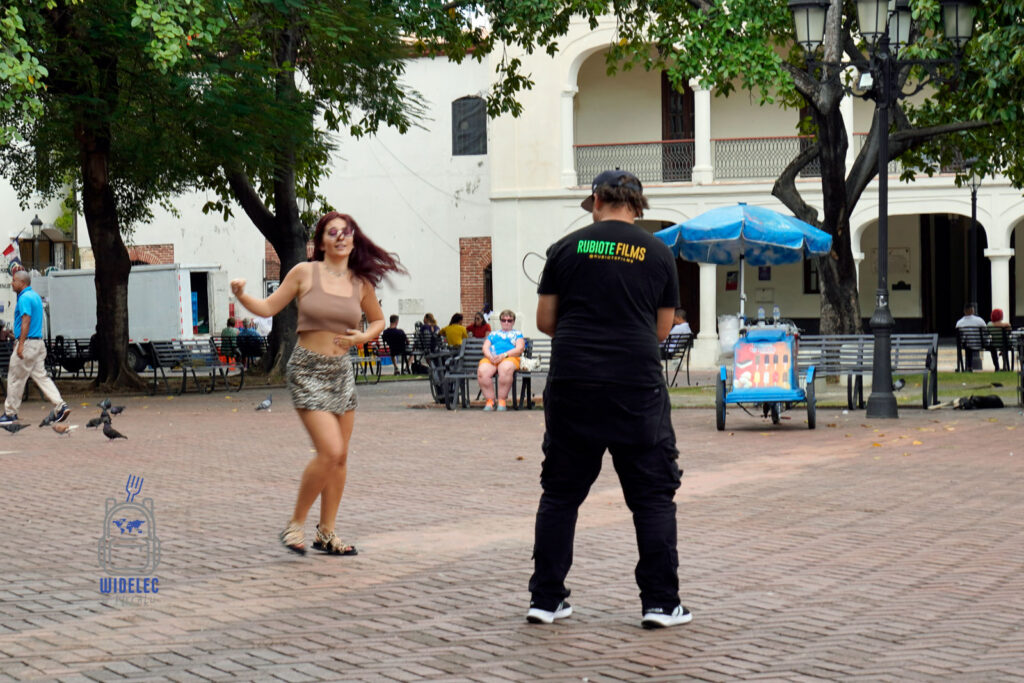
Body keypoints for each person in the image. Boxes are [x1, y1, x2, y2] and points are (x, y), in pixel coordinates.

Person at [528, 169, 688, 629]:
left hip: (574, 380)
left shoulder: (565, 248)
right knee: (652, 496)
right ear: (638, 205)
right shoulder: (659, 253)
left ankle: (546, 598)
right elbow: (661, 330)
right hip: (635, 385)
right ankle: (661, 603)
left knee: (560, 494)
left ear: (597, 199)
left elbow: (545, 320)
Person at [230, 211, 404, 555]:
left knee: (340, 459)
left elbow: (378, 320)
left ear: (354, 240)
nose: (340, 237)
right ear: (320, 241)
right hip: (307, 370)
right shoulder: (303, 273)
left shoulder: (359, 282)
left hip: (341, 372)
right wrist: (242, 296)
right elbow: (267, 308)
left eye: (346, 232)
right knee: (330, 450)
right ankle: (294, 525)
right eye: (332, 232)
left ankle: (327, 533)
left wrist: (362, 337)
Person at [0, 271, 71, 425]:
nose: (11, 283)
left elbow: (26, 320)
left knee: (14, 378)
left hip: (27, 343)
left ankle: (10, 413)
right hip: (38, 343)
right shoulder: (35, 297)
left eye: (14, 281)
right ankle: (60, 405)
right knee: (41, 377)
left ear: (21, 283)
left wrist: (21, 344)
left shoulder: (24, 298)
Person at [477, 309, 525, 412]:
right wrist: (490, 356)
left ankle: (502, 400)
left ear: (513, 322)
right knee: (482, 372)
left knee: (505, 369)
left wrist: (504, 355)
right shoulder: (493, 334)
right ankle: (490, 401)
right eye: (503, 320)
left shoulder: (517, 334)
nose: (506, 322)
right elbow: (485, 347)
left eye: (509, 320)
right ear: (500, 321)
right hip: (492, 358)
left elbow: (519, 348)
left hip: (509, 357)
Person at [956, 304, 987, 371]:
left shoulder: (959, 323)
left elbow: (960, 336)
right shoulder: (980, 320)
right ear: (973, 310)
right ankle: (997, 367)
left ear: (964, 311)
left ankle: (969, 367)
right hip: (980, 344)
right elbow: (985, 331)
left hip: (967, 345)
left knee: (967, 345)